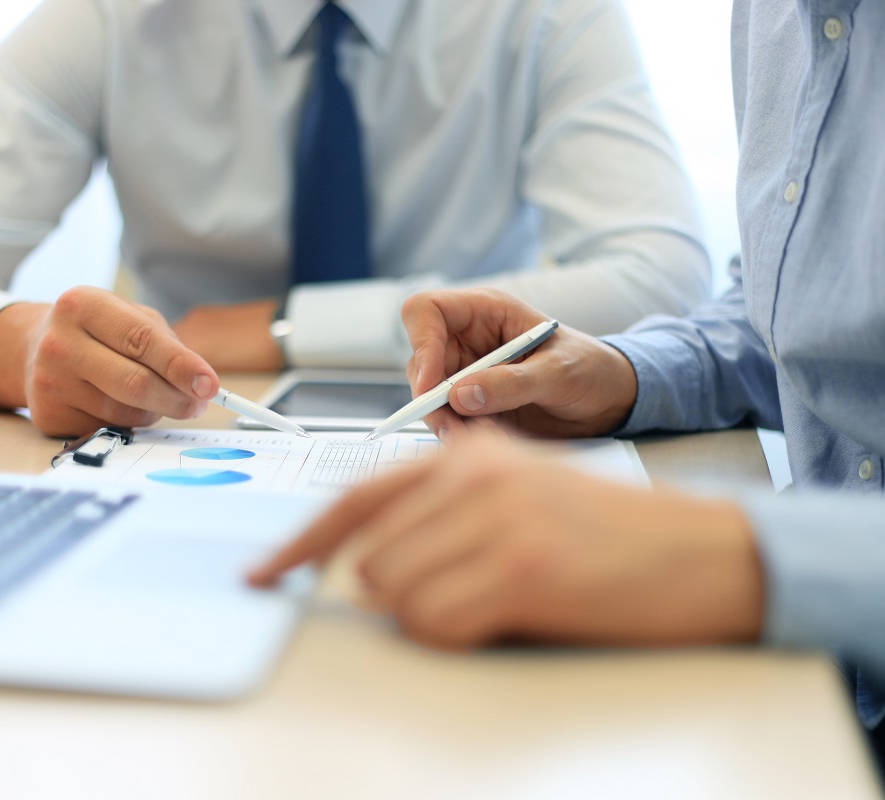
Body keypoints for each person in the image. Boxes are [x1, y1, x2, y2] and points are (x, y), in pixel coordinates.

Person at [250, 0, 885, 761]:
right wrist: (623, 375)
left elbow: (661, 264)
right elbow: (796, 306)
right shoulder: (775, 16)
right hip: (819, 689)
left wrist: (729, 552)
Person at [0, 0, 710, 438]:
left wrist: (287, 329)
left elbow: (660, 274)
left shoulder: (542, 16)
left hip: (471, 437)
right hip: (179, 441)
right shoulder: (110, 18)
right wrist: (15, 344)